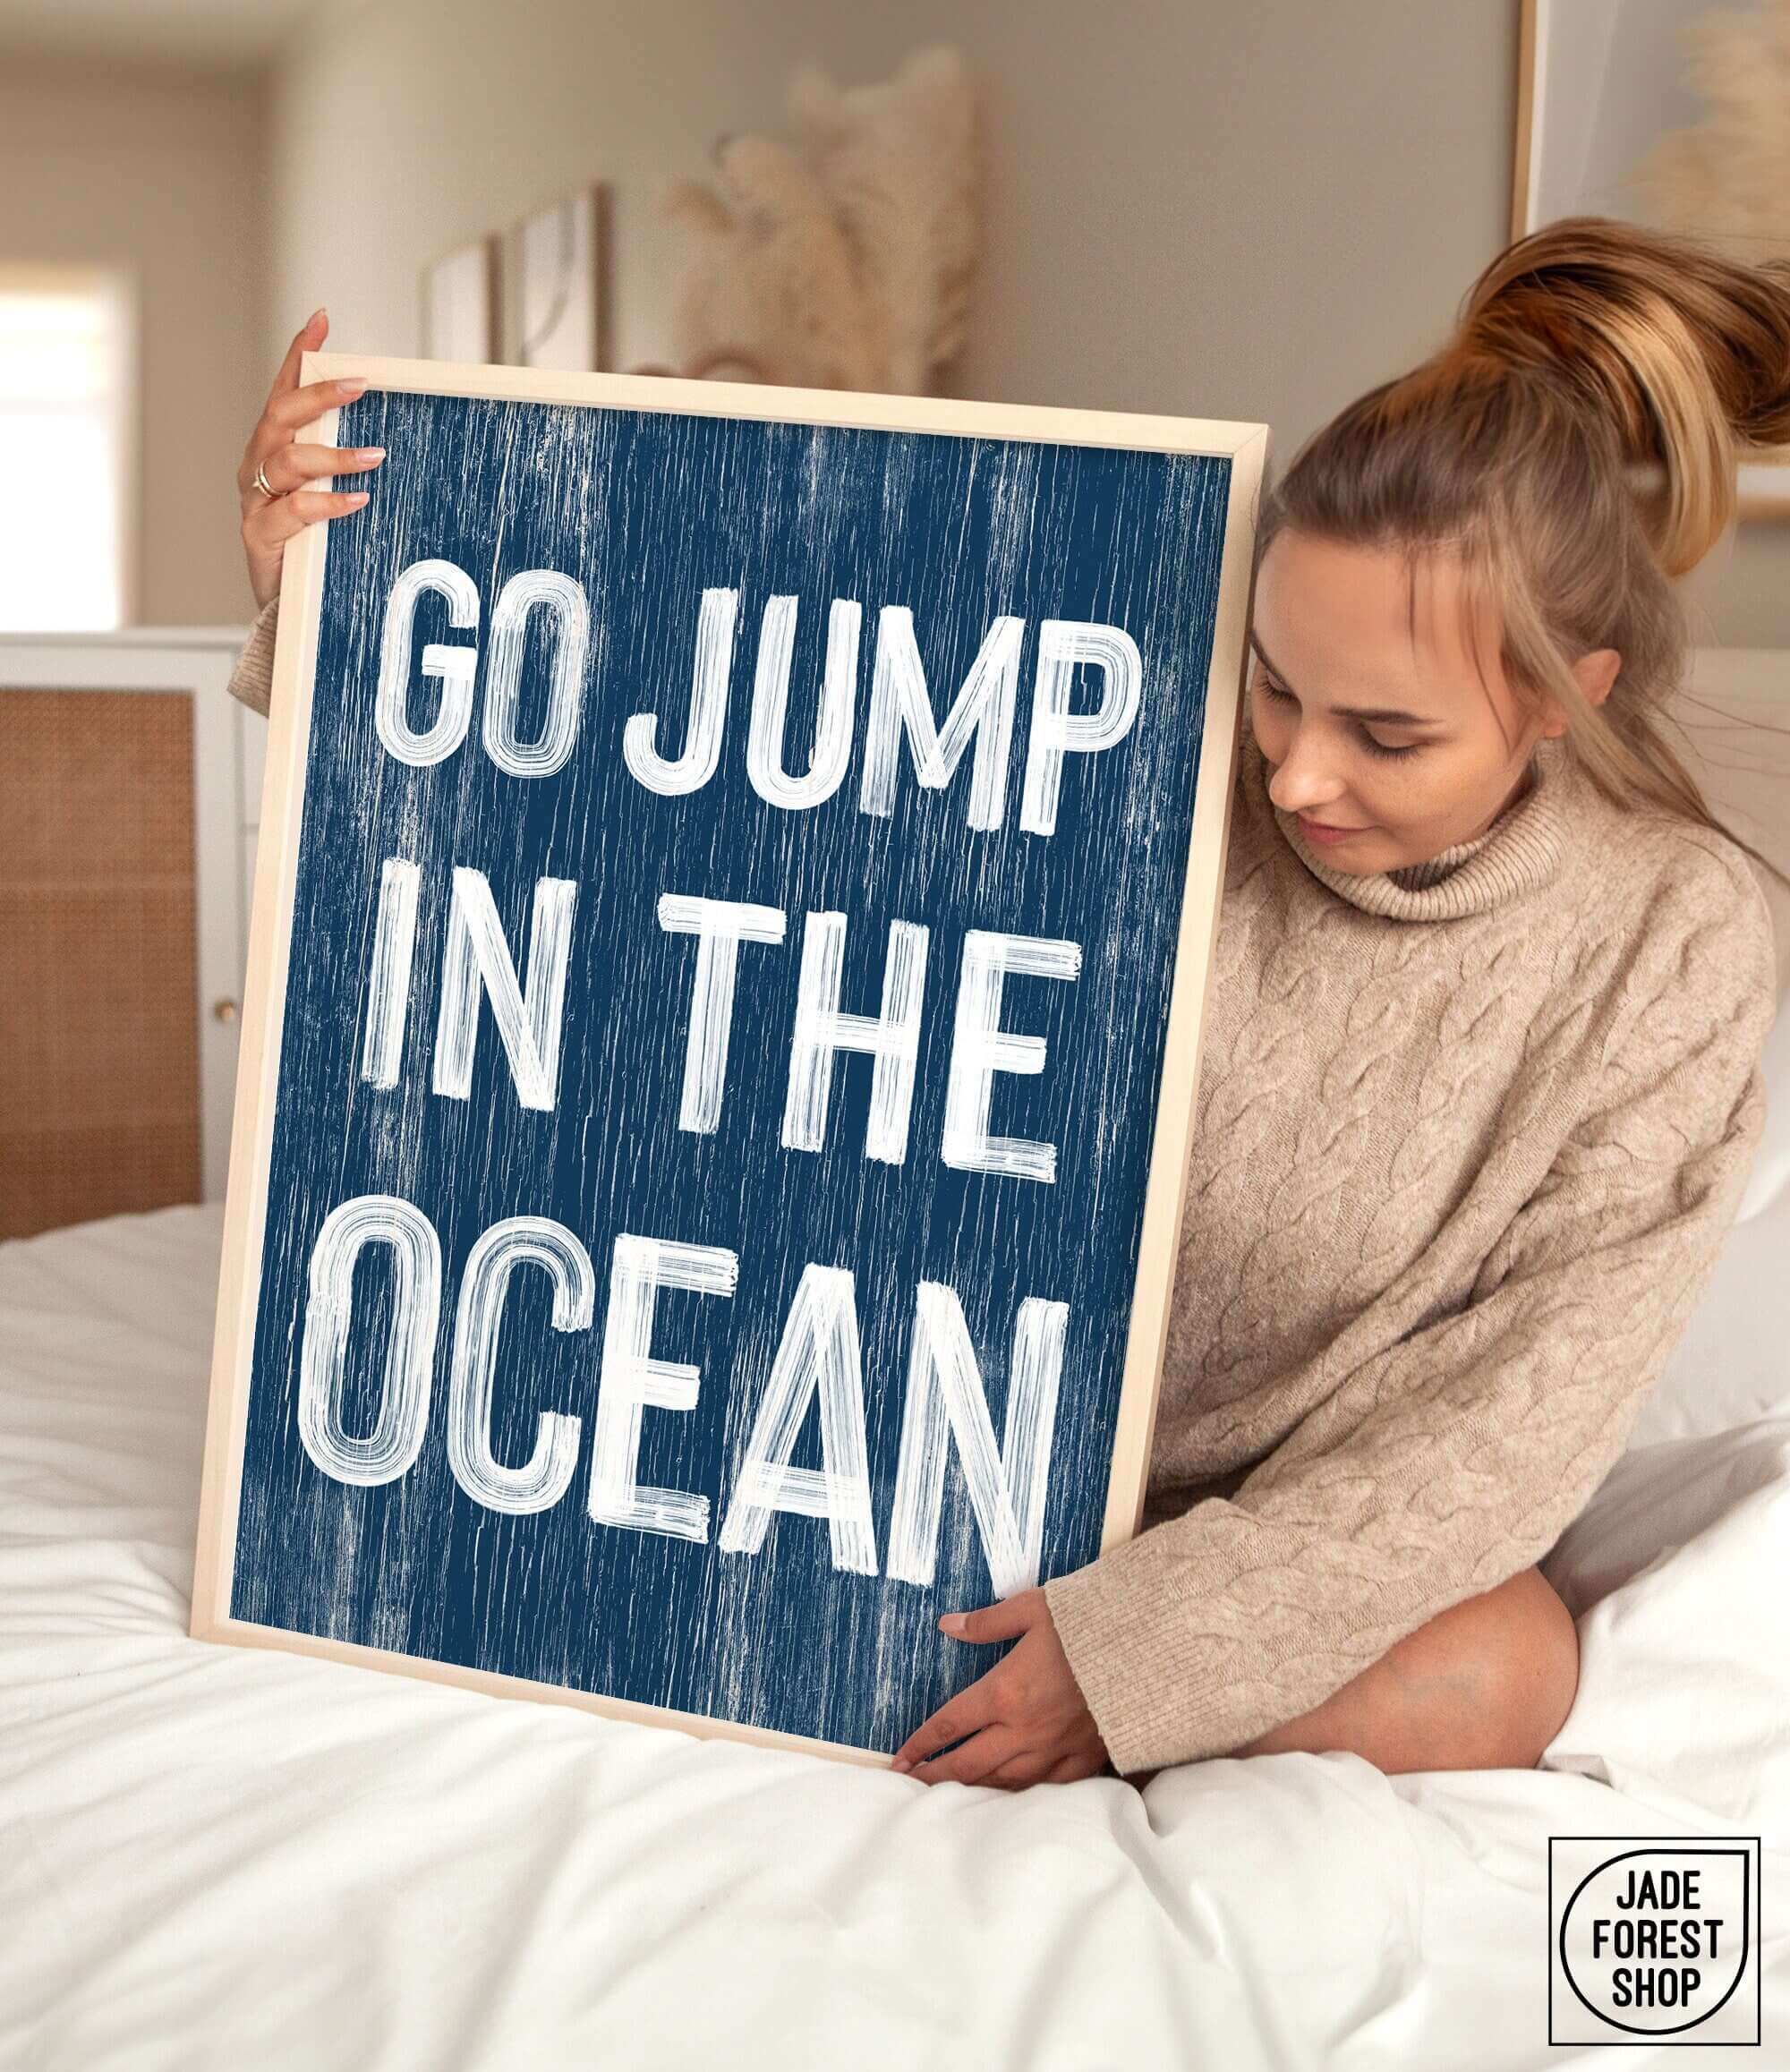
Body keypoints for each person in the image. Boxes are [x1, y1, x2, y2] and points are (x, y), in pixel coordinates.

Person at [227, 217, 1790, 1794]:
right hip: (888, 1432)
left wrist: (1139, 1659)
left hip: (1251, 1525)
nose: (1299, 774)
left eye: (1386, 736)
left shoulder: (1676, 944)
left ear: (1561, 699)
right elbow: (686, 803)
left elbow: (1512, 1425)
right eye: (1272, 685)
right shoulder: (1127, 716)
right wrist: (334, 601)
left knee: (1511, 1664)